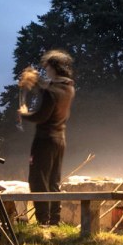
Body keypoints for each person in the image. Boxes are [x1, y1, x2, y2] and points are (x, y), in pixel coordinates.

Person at [16, 49, 76, 227]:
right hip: (60, 140)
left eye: (47, 68)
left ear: (53, 68)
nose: (46, 71)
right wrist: (38, 79)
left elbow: (41, 116)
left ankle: (43, 222)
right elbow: (52, 86)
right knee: (53, 181)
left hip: (44, 140)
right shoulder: (69, 87)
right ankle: (55, 221)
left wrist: (25, 114)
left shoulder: (51, 92)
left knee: (38, 180)